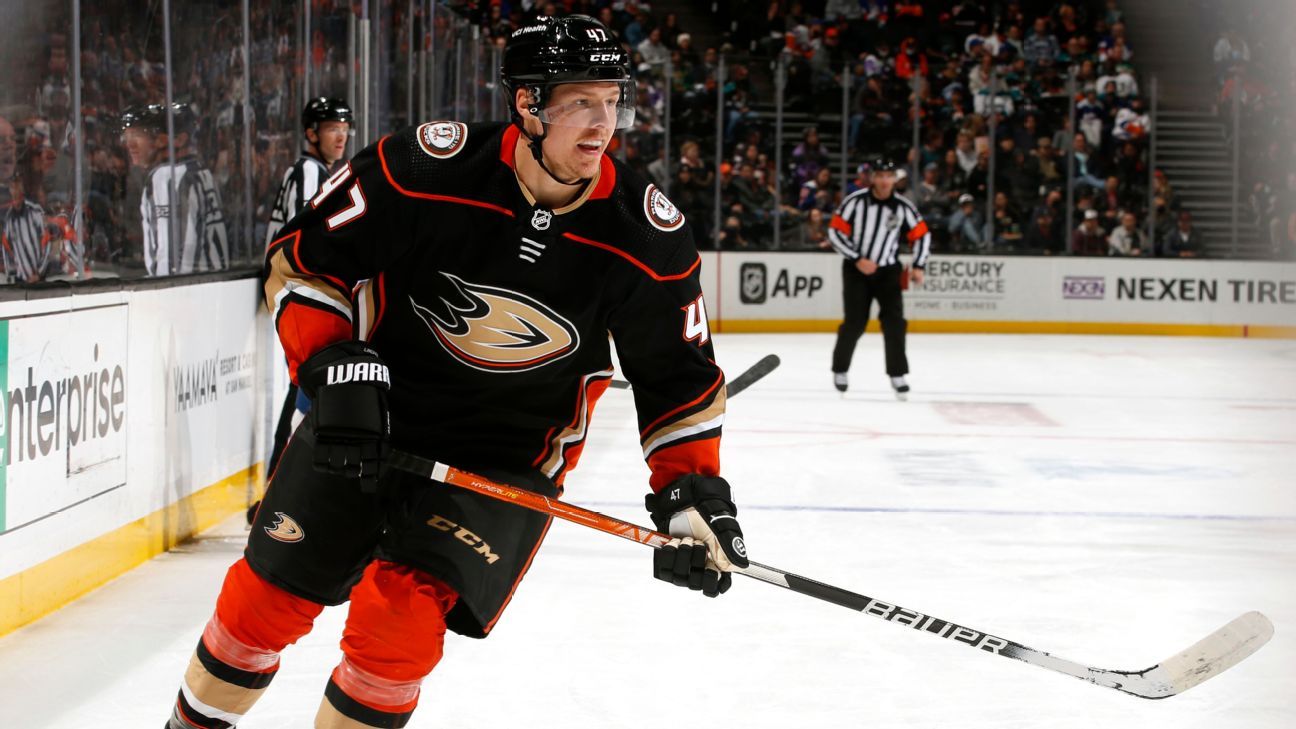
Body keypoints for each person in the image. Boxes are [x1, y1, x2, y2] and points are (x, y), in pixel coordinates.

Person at [164, 15, 749, 729]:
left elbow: (679, 380)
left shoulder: (646, 234)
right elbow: (305, 262)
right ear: (528, 105)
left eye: (613, 101)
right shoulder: (421, 170)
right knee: (260, 606)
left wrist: (691, 494)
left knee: (396, 628)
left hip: (504, 459)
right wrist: (329, 364)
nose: (604, 124)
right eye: (581, 103)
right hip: (369, 418)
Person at [264, 97, 355, 482]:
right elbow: (309, 237)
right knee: (303, 386)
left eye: (345, 128)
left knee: (302, 387)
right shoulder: (310, 171)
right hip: (301, 294)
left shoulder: (310, 169)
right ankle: (277, 482)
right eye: (333, 128)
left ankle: (277, 480)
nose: (342, 136)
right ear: (311, 133)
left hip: (296, 292)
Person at [827, 158, 932, 400]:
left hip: (888, 271)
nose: (885, 181)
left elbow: (922, 235)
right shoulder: (856, 202)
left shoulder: (903, 207)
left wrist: (919, 265)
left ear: (895, 179)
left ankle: (897, 374)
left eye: (889, 176)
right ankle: (840, 369)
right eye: (880, 176)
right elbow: (834, 231)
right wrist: (857, 259)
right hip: (857, 270)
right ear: (872, 177)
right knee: (855, 322)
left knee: (895, 323)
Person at [121, 102, 229, 276]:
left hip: (185, 294)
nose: (131, 144)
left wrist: (167, 297)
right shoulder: (200, 171)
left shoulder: (168, 177)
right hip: (211, 287)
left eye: (154, 136)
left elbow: (174, 263)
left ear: (179, 140)